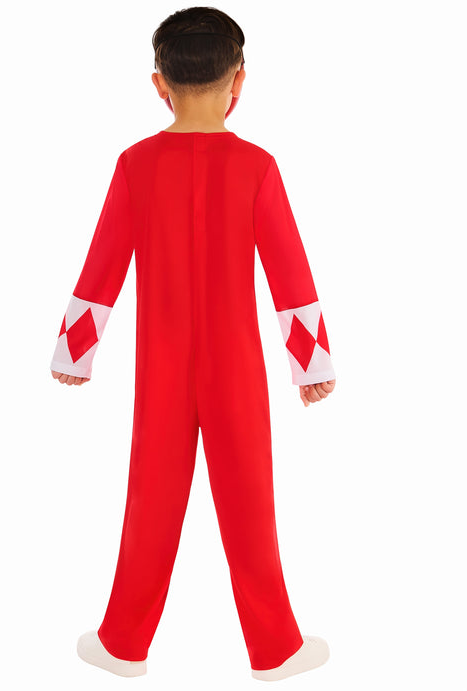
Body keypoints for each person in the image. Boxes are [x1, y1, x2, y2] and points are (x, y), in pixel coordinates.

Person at [50, 6, 336, 682]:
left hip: (162, 366)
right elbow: (289, 267)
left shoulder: (136, 164)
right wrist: (310, 367)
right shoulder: (257, 165)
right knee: (250, 500)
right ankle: (276, 648)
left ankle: (122, 643)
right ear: (240, 81)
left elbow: (104, 260)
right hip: (236, 366)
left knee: (150, 499)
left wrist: (75, 353)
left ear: (159, 84)